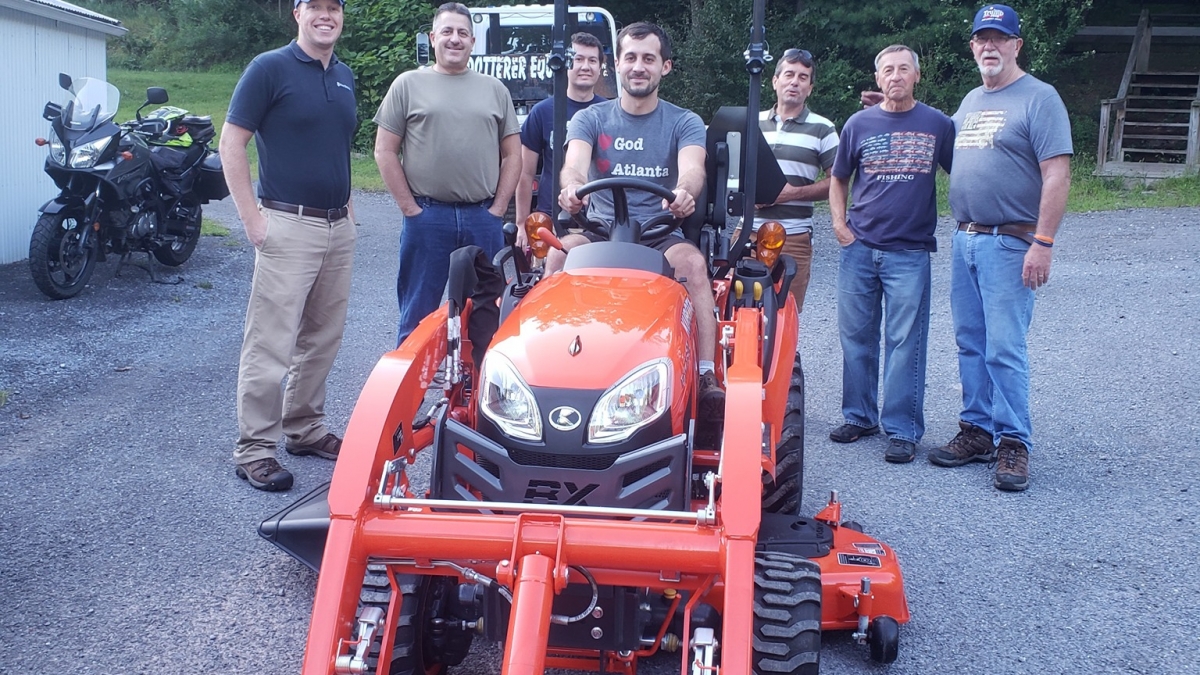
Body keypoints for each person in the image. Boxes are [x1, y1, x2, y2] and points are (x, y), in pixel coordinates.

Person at [928, 4, 1072, 492]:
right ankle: (977, 431)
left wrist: (1043, 242)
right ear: (972, 46)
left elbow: (1057, 173)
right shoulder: (970, 101)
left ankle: (1014, 444)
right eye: (981, 38)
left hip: (1011, 242)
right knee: (971, 342)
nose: (990, 46)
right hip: (965, 239)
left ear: (1016, 45)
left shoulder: (1039, 98)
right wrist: (891, 113)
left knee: (1004, 347)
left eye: (999, 38)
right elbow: (945, 153)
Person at [220, 0, 357, 492]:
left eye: (334, 7)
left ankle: (304, 428)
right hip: (287, 224)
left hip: (337, 227)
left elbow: (335, 147)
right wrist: (252, 220)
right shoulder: (268, 68)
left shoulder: (344, 76)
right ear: (296, 13)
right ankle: (254, 449)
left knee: (322, 337)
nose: (326, 15)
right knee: (271, 342)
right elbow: (231, 142)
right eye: (315, 6)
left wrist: (350, 216)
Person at [555, 22, 724, 422]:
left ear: (665, 66)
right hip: (599, 233)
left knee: (693, 265)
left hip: (659, 234)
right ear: (616, 64)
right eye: (630, 57)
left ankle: (705, 376)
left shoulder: (684, 122)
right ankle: (553, 365)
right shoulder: (591, 119)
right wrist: (573, 188)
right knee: (556, 258)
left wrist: (685, 190)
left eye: (649, 58)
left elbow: (693, 170)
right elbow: (574, 166)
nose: (638, 66)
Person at [827, 45, 955, 464]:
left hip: (909, 253)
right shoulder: (859, 124)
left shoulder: (937, 124)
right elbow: (838, 178)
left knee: (906, 343)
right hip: (859, 249)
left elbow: (964, 173)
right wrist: (840, 226)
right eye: (888, 70)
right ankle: (859, 416)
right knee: (856, 337)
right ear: (878, 78)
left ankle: (902, 429)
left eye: (904, 69)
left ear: (916, 76)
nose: (896, 76)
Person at [374, 2, 521, 346]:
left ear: (473, 41)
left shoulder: (494, 90)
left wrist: (498, 209)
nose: (454, 39)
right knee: (417, 318)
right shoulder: (408, 84)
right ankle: (412, 396)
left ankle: (475, 393)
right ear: (432, 38)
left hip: (482, 218)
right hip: (428, 218)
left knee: (486, 315)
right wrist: (410, 208)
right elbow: (384, 150)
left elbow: (513, 155)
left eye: (462, 33)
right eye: (447, 32)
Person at [747, 47, 839, 312]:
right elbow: (730, 170)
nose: (794, 82)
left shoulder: (823, 128)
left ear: (810, 88)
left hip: (794, 235)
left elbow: (838, 182)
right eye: (789, 74)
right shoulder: (752, 121)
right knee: (738, 308)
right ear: (775, 81)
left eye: (802, 77)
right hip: (748, 232)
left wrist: (790, 193)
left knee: (785, 313)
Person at [515, 32, 607, 236]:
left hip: (599, 219)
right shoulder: (543, 112)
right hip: (551, 218)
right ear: (565, 64)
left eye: (592, 60)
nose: (585, 66)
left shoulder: (610, 113)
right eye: (578, 59)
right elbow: (525, 173)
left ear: (600, 67)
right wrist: (521, 223)